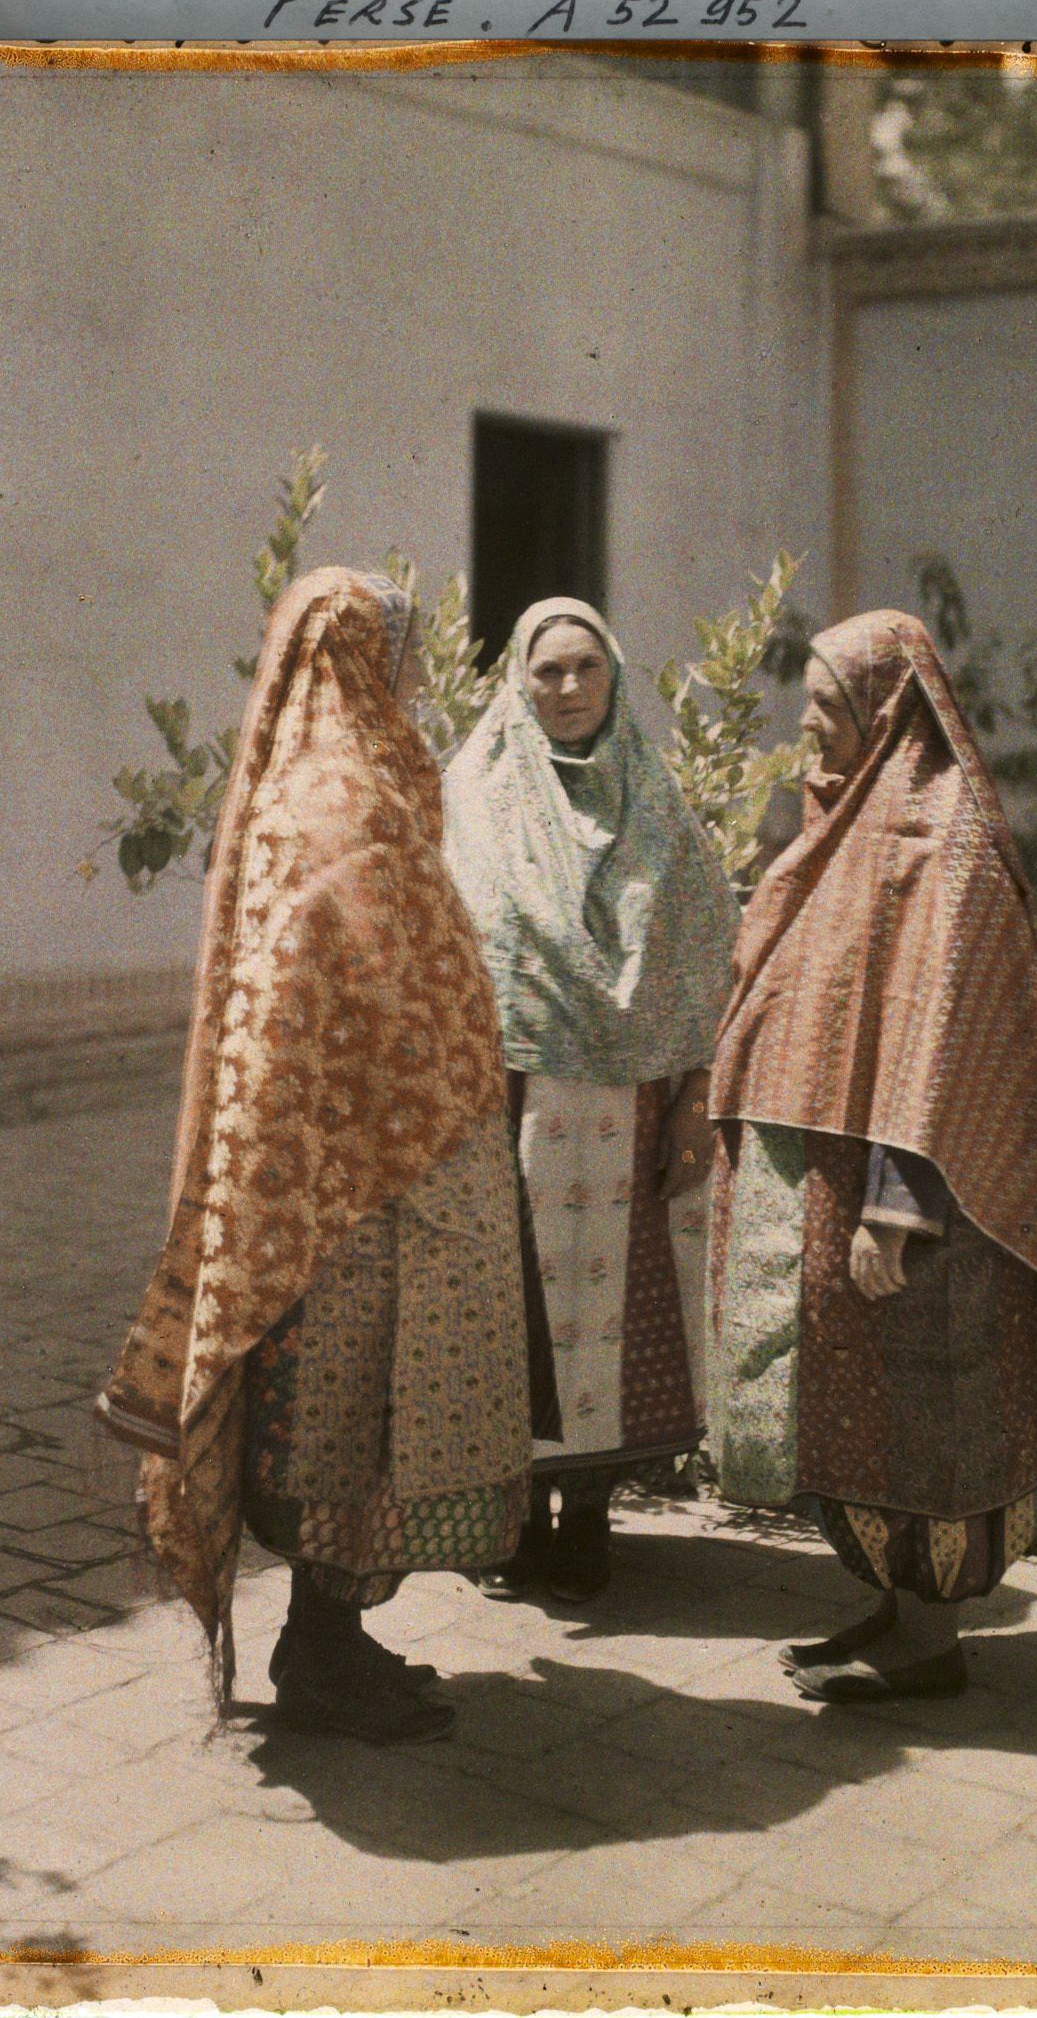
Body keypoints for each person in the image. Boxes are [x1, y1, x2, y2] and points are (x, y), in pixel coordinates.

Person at [97, 567, 533, 1745]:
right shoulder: (351, 797)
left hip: (320, 1171)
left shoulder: (306, 784)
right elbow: (393, 986)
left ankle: (324, 1637)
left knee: (331, 1417)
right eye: (406, 648)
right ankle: (321, 1651)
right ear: (362, 656)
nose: (419, 671)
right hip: (366, 1179)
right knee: (350, 1419)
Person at [707, 608, 1037, 1702]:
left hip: (925, 1207)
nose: (807, 729)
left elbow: (942, 1044)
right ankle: (895, 1610)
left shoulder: (946, 842)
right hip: (850, 1186)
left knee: (925, 1409)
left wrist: (894, 1207)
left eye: (826, 709)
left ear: (886, 710)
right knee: (867, 1416)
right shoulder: (850, 820)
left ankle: (929, 1644)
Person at [443, 598, 739, 1600]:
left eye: (586, 668)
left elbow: (708, 950)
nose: (568, 689)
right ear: (518, 683)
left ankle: (589, 1517)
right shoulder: (472, 798)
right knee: (515, 1306)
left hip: (631, 1107)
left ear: (613, 675)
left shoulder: (654, 798)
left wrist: (695, 1100)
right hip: (510, 1101)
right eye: (547, 672)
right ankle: (516, 1514)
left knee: (616, 1315)